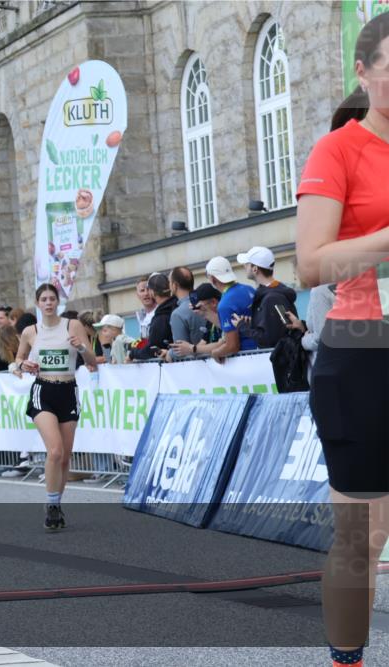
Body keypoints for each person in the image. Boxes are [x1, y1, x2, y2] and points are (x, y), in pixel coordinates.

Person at [295, 15, 389, 667]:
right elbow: (310, 263)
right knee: (364, 534)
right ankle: (347, 660)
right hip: (363, 350)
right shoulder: (340, 150)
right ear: (364, 71)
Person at [14, 284, 97, 531]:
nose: (48, 303)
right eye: (44, 299)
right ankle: (51, 506)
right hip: (43, 391)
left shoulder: (73, 325)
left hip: (68, 391)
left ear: (57, 302)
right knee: (55, 450)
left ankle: (56, 502)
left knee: (65, 457)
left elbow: (92, 360)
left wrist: (81, 347)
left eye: (52, 299)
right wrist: (23, 365)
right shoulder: (31, 331)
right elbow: (17, 361)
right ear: (38, 304)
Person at [233, 245, 300, 349]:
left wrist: (242, 326)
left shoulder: (272, 298)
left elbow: (268, 340)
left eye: (247, 264)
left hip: (279, 361)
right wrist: (253, 323)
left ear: (255, 269)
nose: (244, 267)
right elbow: (276, 330)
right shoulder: (272, 294)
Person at [204, 256, 258, 362]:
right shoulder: (249, 289)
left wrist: (215, 352)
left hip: (248, 360)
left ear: (213, 279)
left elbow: (232, 346)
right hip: (262, 351)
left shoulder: (225, 304)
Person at [170, 283, 225, 359]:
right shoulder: (210, 320)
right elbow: (202, 343)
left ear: (213, 302)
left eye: (201, 307)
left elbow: (221, 345)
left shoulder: (225, 314)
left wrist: (191, 348)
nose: (199, 311)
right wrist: (187, 349)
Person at [131, 274, 178, 361]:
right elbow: (144, 341)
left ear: (153, 291)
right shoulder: (141, 316)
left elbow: (153, 348)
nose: (146, 293)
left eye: (148, 289)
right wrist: (134, 347)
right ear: (137, 294)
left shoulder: (162, 314)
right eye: (142, 290)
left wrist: (133, 353)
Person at [167, 266, 207, 361]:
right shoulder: (206, 302)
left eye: (169, 282)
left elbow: (180, 351)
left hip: (195, 367)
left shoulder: (177, 314)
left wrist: (169, 353)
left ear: (174, 285)